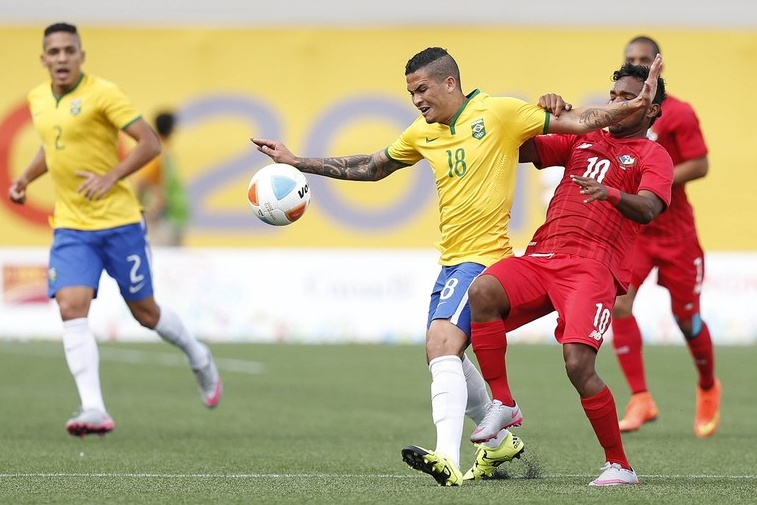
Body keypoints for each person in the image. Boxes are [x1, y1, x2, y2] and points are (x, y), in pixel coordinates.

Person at [252, 47, 662, 486]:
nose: (416, 100)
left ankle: (450, 455)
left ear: (450, 83)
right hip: (460, 258)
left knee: (449, 344)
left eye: (422, 89)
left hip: (493, 257)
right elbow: (372, 167)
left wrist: (623, 111)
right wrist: (298, 162)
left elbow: (583, 124)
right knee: (442, 348)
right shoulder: (421, 133)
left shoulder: (500, 112)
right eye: (410, 93)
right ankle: (497, 429)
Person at [7, 22, 221, 437]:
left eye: (70, 50)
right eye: (55, 52)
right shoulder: (38, 99)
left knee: (146, 313)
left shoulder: (103, 93)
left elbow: (149, 143)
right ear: (44, 59)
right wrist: (25, 178)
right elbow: (51, 145)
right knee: (70, 306)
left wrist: (111, 176)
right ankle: (93, 409)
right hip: (72, 226)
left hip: (119, 223)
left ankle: (198, 355)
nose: (63, 58)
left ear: (82, 56)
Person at [467, 62, 671, 486]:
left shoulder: (654, 155)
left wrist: (612, 193)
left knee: (578, 364)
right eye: (614, 96)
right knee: (483, 291)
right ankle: (503, 402)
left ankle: (620, 465)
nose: (617, 103)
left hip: (593, 268)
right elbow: (516, 148)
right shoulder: (584, 138)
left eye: (629, 98)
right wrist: (543, 113)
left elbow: (650, 208)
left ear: (650, 111)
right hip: (543, 257)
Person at [611, 36, 719, 438]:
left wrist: (655, 182)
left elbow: (701, 164)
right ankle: (641, 397)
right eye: (630, 60)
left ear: (657, 66)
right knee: (619, 304)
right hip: (636, 232)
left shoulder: (677, 113)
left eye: (644, 60)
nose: (637, 66)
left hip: (676, 233)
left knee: (687, 319)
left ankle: (708, 386)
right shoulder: (618, 112)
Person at [135, 111, 190, 247]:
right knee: (164, 259)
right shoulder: (157, 150)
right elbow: (142, 182)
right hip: (164, 218)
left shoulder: (164, 149)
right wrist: (148, 208)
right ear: (171, 128)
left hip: (173, 216)